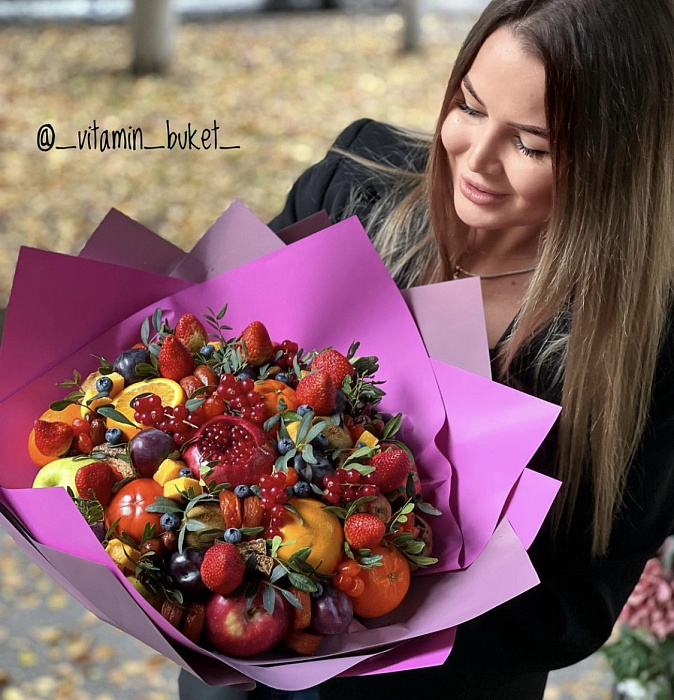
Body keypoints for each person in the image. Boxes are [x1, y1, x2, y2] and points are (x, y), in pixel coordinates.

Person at [179, 0, 674, 697]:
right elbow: (217, 382)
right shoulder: (353, 186)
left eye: (532, 144)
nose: (475, 158)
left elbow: (579, 602)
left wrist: (357, 622)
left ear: (616, 163)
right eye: (469, 107)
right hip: (236, 659)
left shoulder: (648, 339)